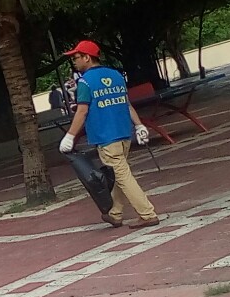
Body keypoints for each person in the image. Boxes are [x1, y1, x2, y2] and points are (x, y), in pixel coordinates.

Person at [58, 40, 161, 229]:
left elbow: (82, 111)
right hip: (124, 133)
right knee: (118, 174)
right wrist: (139, 125)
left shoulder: (85, 82)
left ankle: (147, 214)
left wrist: (70, 136)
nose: (74, 62)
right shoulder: (116, 75)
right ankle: (115, 213)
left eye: (76, 57)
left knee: (122, 175)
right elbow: (126, 104)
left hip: (105, 137)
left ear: (87, 58)